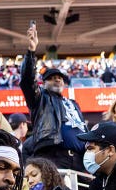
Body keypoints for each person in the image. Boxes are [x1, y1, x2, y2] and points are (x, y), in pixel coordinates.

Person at [21, 23, 87, 171]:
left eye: (60, 78)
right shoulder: (41, 99)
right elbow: (26, 81)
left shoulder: (73, 103)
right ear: (43, 83)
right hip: (54, 156)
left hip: (80, 160)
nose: (57, 79)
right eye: (52, 78)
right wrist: (31, 51)